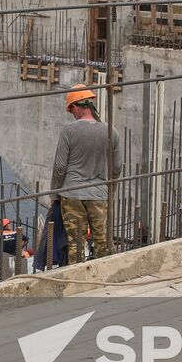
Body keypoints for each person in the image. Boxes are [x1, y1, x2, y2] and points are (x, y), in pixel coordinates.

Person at [51, 84, 120, 263]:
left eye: (71, 110)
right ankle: (102, 274)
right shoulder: (111, 131)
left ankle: (77, 277)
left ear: (75, 107)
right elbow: (117, 168)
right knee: (102, 242)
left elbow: (60, 167)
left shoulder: (68, 131)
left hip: (72, 194)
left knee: (76, 244)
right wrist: (109, 191)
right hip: (99, 194)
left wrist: (55, 194)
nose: (72, 114)